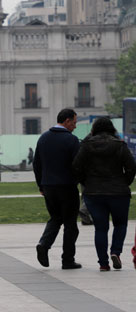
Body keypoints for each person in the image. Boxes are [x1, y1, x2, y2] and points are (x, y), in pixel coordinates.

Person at [72, 117, 136, 271]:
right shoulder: (119, 145)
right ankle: (115, 252)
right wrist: (124, 182)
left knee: (100, 228)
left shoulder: (86, 145)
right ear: (111, 128)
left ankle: (103, 263)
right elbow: (131, 167)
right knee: (120, 224)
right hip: (118, 192)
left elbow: (76, 167)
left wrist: (86, 182)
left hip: (94, 192)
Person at [33, 108, 82, 269]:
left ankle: (44, 244)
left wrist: (41, 185)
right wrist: (78, 180)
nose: (75, 126)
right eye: (74, 123)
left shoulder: (43, 138)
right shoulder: (72, 140)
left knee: (55, 218)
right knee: (70, 225)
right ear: (67, 121)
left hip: (48, 187)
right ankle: (67, 260)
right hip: (67, 187)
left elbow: (37, 164)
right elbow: (78, 165)